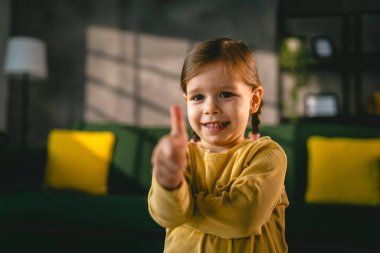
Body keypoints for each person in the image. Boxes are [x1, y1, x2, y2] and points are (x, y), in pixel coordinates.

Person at [148, 38, 289, 253]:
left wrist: (186, 210)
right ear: (186, 102)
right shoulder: (180, 158)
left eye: (225, 94)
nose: (210, 107)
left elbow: (243, 218)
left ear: (254, 100)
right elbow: (165, 214)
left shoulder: (267, 155)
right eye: (198, 97)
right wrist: (168, 183)